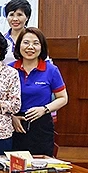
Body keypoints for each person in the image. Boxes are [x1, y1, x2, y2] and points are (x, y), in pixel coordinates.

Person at [10, 27, 68, 156]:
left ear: (42, 47)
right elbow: (2, 99)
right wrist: (11, 117)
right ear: (18, 45)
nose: (30, 47)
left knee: (40, 166)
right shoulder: (9, 69)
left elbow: (63, 98)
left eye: (36, 43)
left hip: (41, 124)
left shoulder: (51, 70)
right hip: (14, 124)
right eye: (26, 43)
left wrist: (44, 109)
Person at [3, 0, 32, 65]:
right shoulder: (1, 39)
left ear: (27, 17)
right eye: (11, 15)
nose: (15, 19)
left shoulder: (34, 38)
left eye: (19, 15)